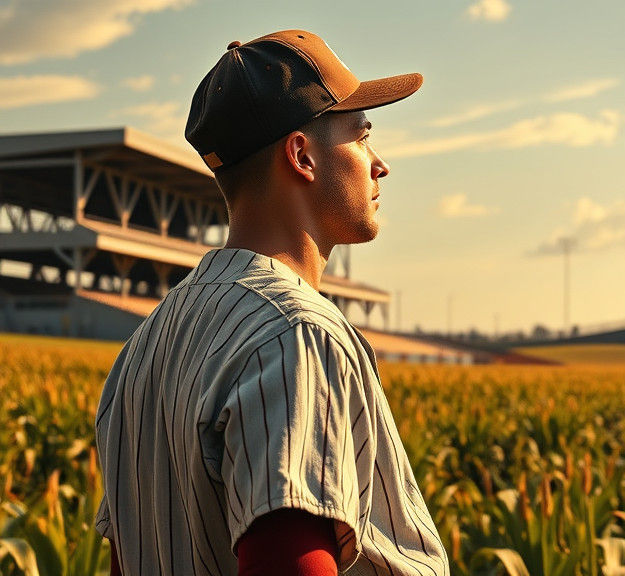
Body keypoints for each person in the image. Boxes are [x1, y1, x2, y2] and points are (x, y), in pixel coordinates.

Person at [93, 30, 449, 576]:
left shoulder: (143, 348)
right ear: (302, 155)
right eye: (361, 136)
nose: (380, 165)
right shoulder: (295, 335)